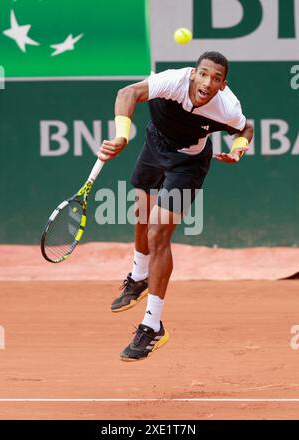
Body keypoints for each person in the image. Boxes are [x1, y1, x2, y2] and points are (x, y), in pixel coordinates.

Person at [98, 51, 254, 362]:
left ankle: (152, 325)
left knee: (158, 234)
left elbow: (245, 128)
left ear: (223, 85)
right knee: (140, 208)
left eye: (217, 78)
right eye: (204, 73)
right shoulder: (172, 81)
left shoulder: (226, 107)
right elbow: (127, 93)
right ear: (193, 74)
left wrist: (238, 148)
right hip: (155, 143)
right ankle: (139, 276)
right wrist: (120, 135)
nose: (208, 82)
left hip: (188, 163)